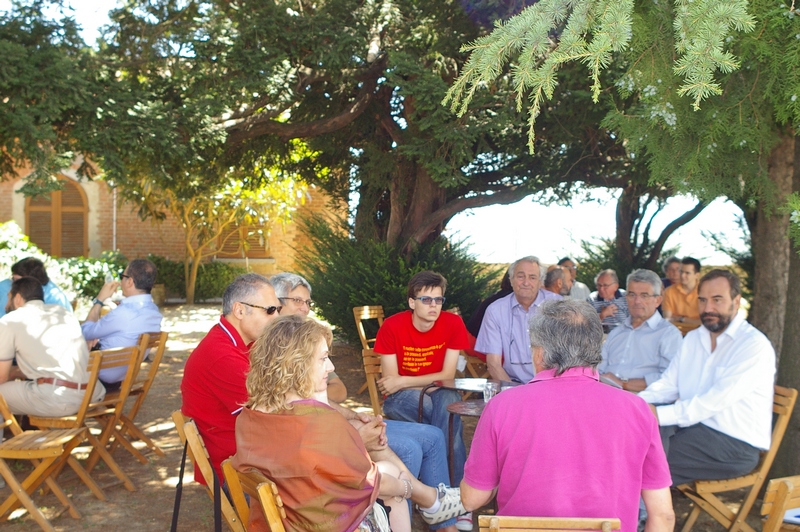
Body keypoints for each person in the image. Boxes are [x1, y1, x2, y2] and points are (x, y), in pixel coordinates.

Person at [231, 315, 465, 532]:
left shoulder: (250, 415)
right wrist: (406, 489)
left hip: (289, 515)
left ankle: (433, 502)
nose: (331, 367)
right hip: (320, 522)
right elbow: (370, 480)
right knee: (393, 480)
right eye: (323, 358)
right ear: (296, 365)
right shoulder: (319, 422)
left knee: (391, 470)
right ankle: (432, 502)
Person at [461, 300, 675, 532]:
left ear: (540, 354)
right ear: (595, 349)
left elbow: (472, 499)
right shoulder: (638, 409)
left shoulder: (502, 406)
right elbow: (663, 516)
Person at [273, 272, 460, 532]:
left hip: (332, 424)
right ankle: (431, 504)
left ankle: (443, 518)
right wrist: (358, 435)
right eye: (298, 301)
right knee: (406, 448)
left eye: (308, 302)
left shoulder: (305, 343)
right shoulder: (284, 353)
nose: (305, 308)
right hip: (325, 444)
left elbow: (336, 392)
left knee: (434, 433)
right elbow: (308, 435)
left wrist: (352, 416)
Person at [639, 269, 776, 485]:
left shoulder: (753, 346)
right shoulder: (694, 339)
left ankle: (640, 515)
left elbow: (710, 404)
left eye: (717, 300)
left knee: (646, 457)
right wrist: (635, 405)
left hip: (735, 444)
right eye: (702, 300)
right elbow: (668, 385)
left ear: (736, 301)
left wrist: (656, 414)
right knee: (637, 439)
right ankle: (638, 512)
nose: (708, 308)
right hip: (692, 428)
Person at [374, 271, 473, 531]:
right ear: (411, 302)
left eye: (438, 300)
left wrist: (406, 380)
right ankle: (458, 500)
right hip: (399, 401)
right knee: (449, 418)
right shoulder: (393, 326)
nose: (434, 306)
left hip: (429, 392)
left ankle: (444, 500)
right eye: (426, 300)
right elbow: (389, 385)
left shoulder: (452, 324)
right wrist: (422, 385)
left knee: (448, 402)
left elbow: (447, 376)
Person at [181, 273, 282, 484]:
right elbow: (277, 411)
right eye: (270, 310)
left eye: (278, 310)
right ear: (239, 310)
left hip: (252, 455)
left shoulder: (243, 343)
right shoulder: (222, 355)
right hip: (238, 473)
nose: (277, 318)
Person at [0, 277, 105, 417]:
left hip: (60, 400)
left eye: (9, 298)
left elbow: (2, 376)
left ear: (18, 298)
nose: (6, 304)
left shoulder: (10, 320)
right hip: (93, 393)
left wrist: (11, 373)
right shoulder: (62, 313)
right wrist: (15, 372)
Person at [475, 256, 560, 383]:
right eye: (521, 276)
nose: (526, 282)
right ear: (511, 280)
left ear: (540, 282)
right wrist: (515, 394)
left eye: (532, 277)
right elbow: (494, 364)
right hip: (513, 383)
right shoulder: (495, 310)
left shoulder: (559, 306)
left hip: (553, 384)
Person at [81, 258, 162, 389]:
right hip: (122, 377)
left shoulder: (123, 313)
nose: (120, 281)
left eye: (122, 277)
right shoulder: (154, 313)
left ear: (129, 281)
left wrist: (100, 300)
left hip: (99, 379)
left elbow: (85, 332)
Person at [599, 269, 683, 392]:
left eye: (644, 295)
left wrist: (624, 384)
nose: (637, 301)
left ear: (658, 300)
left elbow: (670, 377)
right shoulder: (616, 332)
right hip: (606, 394)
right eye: (632, 295)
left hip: (642, 399)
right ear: (626, 297)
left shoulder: (668, 334)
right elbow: (598, 369)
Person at [0, 257, 72, 317]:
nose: (13, 284)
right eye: (13, 279)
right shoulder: (4, 286)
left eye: (17, 280)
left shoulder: (54, 296)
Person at [661, 257, 702, 335]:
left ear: (697, 275)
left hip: (700, 334)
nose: (682, 275)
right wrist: (693, 321)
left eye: (687, 273)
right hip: (676, 334)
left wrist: (681, 319)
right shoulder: (669, 291)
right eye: (681, 271)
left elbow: (705, 323)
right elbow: (668, 320)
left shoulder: (705, 291)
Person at [589, 269, 629, 333]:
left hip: (624, 335)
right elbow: (587, 325)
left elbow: (635, 320)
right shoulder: (592, 299)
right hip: (602, 337)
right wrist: (602, 315)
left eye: (605, 285)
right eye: (599, 285)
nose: (601, 289)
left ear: (616, 286)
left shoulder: (625, 297)